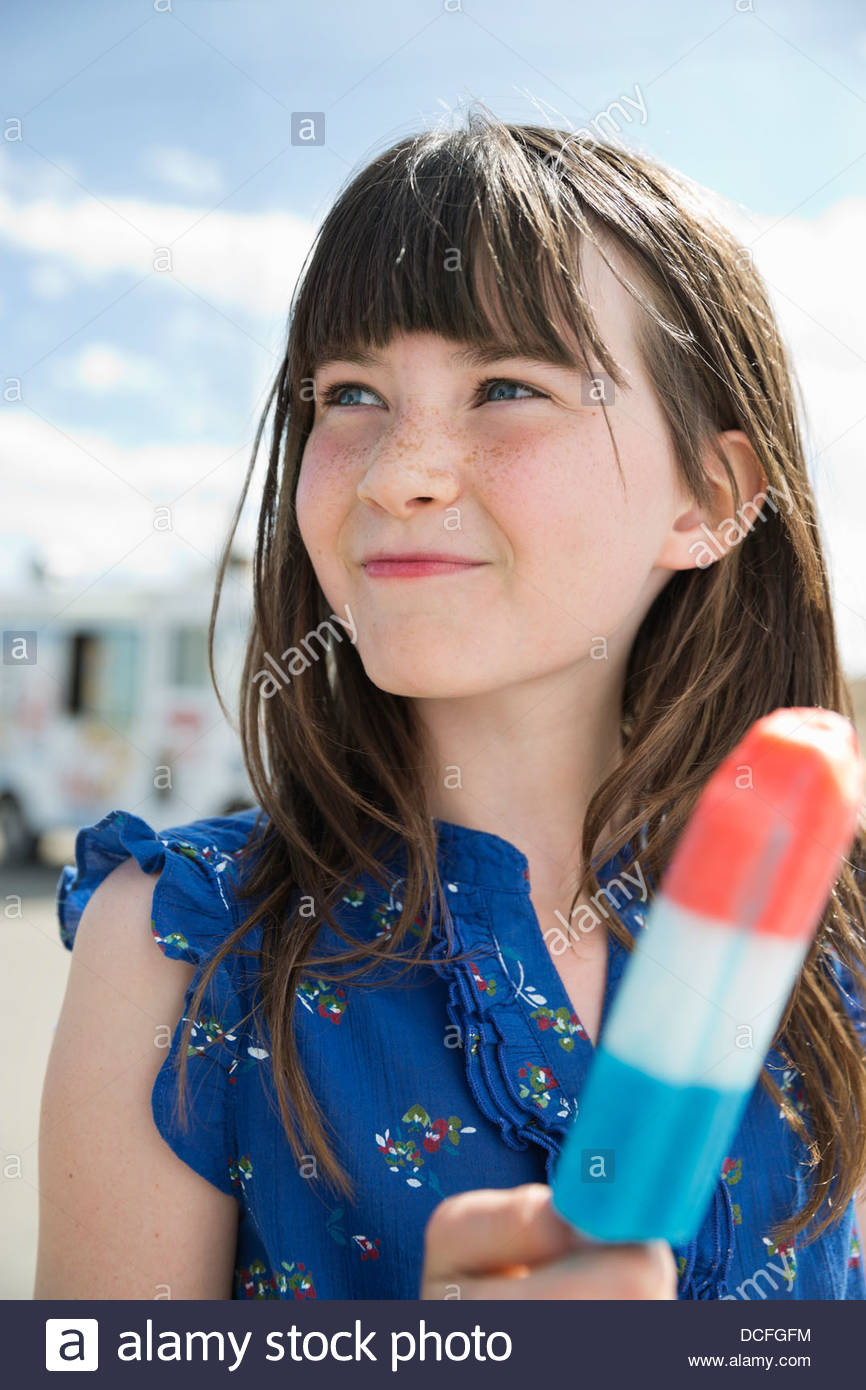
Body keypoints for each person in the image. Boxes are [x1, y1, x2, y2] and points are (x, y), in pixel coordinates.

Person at [35, 108, 866, 1301]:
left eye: (505, 385)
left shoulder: (832, 951)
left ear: (709, 494)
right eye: (350, 393)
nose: (395, 472)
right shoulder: (180, 947)